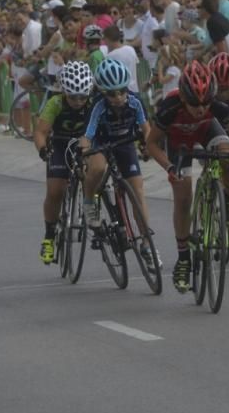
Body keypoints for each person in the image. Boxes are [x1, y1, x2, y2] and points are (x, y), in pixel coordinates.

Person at [145, 61, 229, 293]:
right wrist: (169, 167)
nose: (201, 109)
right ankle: (183, 258)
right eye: (194, 104)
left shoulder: (214, 106)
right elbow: (151, 143)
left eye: (205, 103)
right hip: (178, 143)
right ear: (183, 97)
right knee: (183, 199)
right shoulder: (169, 107)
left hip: (207, 131)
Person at [79, 59, 152, 268]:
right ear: (103, 92)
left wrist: (147, 146)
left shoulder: (135, 101)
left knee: (137, 190)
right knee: (98, 168)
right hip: (102, 144)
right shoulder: (98, 106)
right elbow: (87, 135)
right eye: (111, 94)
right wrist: (84, 151)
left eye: (121, 91)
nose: (118, 97)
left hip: (125, 143)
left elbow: (146, 129)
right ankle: (89, 201)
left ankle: (147, 242)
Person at [34, 61, 93, 264]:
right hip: (60, 146)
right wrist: (43, 150)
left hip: (85, 145)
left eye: (82, 97)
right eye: (73, 97)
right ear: (65, 92)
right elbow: (40, 132)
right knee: (55, 191)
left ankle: (92, 210)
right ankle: (49, 236)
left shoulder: (94, 103)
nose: (78, 101)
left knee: (93, 177)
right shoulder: (56, 103)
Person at [100, 25, 139, 94]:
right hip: (134, 89)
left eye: (104, 38)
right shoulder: (130, 49)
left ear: (107, 39)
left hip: (122, 92)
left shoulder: (111, 56)